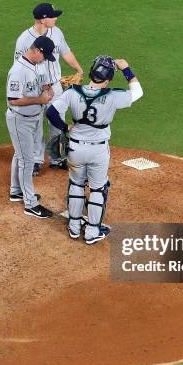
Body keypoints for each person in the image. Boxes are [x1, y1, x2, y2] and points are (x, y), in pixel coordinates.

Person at [46, 56, 143, 244]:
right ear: (108, 79)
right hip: (98, 152)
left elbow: (51, 112)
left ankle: (74, 227)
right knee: (98, 189)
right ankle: (91, 232)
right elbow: (138, 92)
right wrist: (127, 69)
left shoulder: (72, 92)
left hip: (75, 149)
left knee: (76, 184)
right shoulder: (113, 95)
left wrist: (66, 128)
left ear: (91, 72)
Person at [14, 3, 84, 175]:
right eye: (52, 16)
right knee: (36, 124)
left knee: (56, 122)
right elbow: (19, 67)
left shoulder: (57, 32)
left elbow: (66, 52)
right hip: (35, 90)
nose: (56, 18)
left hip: (56, 86)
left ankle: (57, 158)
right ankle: (37, 161)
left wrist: (79, 69)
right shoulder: (24, 39)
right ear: (43, 19)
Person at [6, 36, 57, 219]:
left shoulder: (37, 64)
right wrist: (40, 99)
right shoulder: (18, 70)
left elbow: (41, 83)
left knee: (20, 155)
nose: (45, 60)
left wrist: (47, 88)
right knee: (27, 161)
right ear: (36, 51)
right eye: (45, 56)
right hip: (21, 120)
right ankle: (30, 204)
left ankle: (16, 191)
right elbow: (13, 99)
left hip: (34, 118)